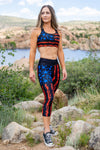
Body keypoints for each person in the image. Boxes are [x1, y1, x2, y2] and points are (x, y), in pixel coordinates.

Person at [29, 4, 67, 147]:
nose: (45, 15)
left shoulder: (58, 32)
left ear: (52, 15)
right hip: (43, 66)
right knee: (49, 96)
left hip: (55, 68)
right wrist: (31, 70)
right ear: (40, 15)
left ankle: (48, 126)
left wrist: (64, 68)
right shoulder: (36, 31)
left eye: (47, 13)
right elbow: (32, 51)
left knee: (49, 99)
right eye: (42, 13)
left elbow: (60, 51)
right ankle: (46, 132)